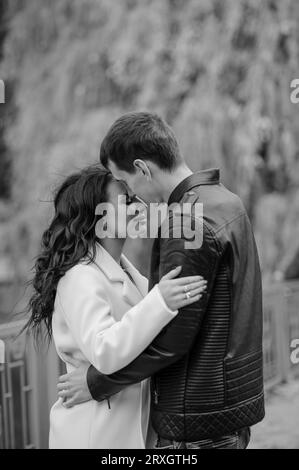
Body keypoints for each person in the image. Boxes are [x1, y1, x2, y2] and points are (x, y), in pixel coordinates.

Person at [58, 112, 265, 449]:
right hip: (227, 406)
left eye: (124, 182)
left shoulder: (185, 220)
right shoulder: (227, 202)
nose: (132, 195)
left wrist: (96, 383)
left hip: (195, 417)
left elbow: (172, 337)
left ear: (142, 168)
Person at [25, 165, 205, 449]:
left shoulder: (125, 271)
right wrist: (160, 301)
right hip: (93, 433)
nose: (140, 206)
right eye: (127, 200)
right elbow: (104, 350)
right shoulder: (80, 277)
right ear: (97, 216)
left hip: (124, 425)